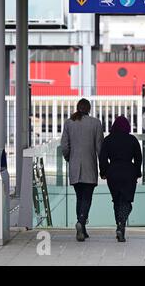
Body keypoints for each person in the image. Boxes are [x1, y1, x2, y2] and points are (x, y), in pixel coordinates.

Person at [61, 98, 104, 242]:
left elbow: (65, 146)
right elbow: (100, 148)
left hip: (74, 167)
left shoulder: (69, 123)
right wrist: (103, 166)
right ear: (89, 109)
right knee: (87, 198)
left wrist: (69, 158)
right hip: (89, 167)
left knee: (79, 198)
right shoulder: (95, 123)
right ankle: (81, 222)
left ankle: (82, 228)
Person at [99, 116, 142, 242]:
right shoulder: (132, 140)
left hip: (113, 173)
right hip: (129, 172)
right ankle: (121, 224)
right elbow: (138, 158)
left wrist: (104, 172)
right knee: (127, 201)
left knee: (117, 201)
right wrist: (137, 172)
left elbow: (102, 158)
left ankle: (119, 226)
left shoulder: (108, 140)